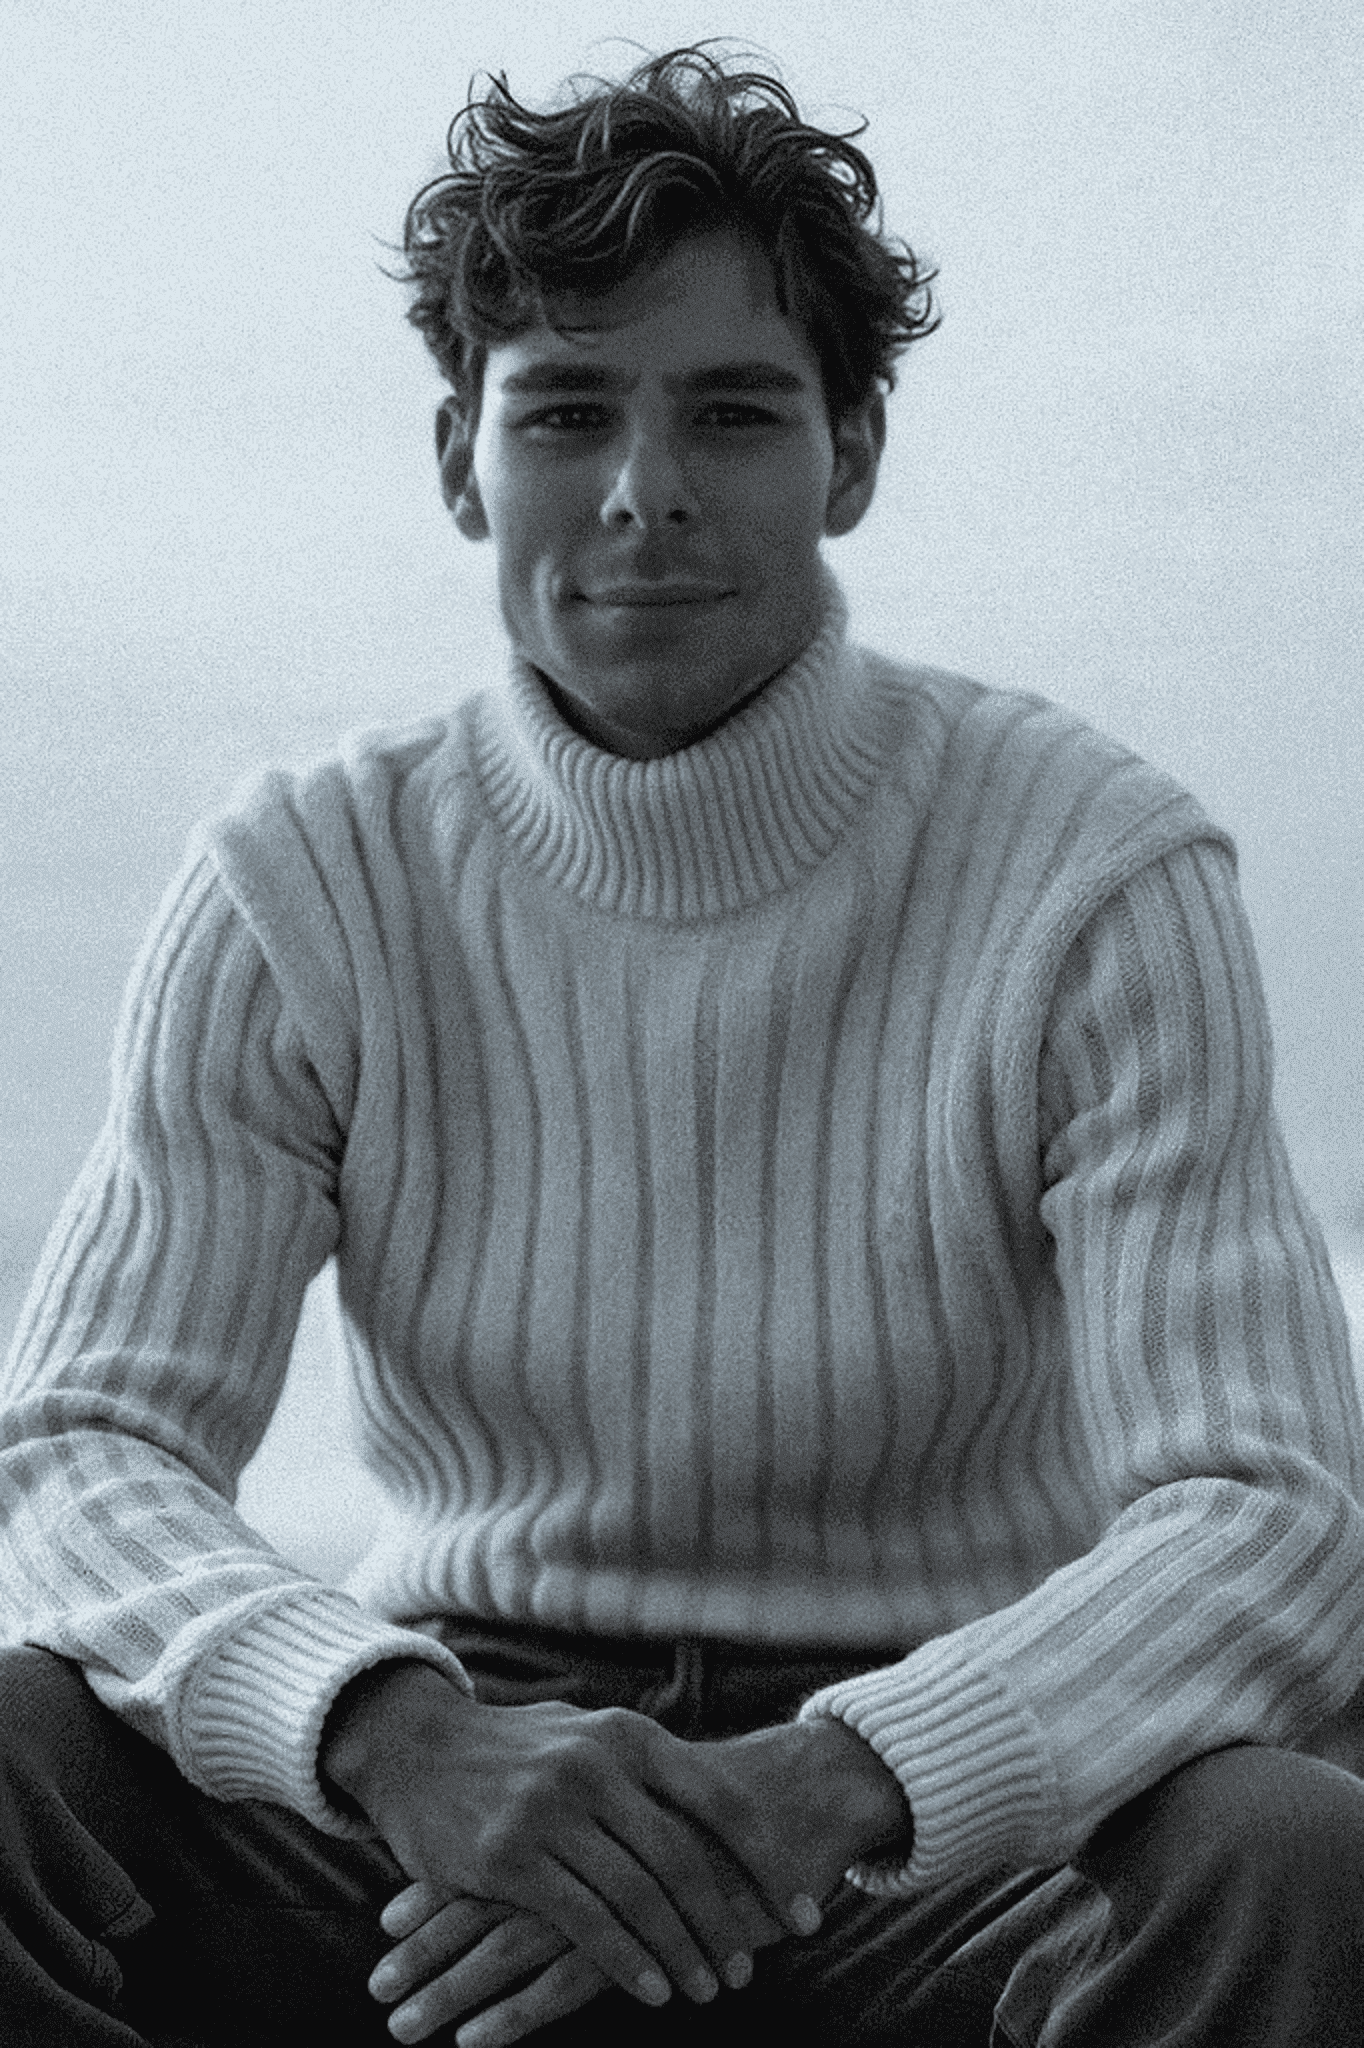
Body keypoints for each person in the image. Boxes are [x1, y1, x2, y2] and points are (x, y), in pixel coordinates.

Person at [2, 43, 1364, 2048]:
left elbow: (1268, 1510)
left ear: (852, 453)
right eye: (566, 412)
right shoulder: (304, 878)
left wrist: (826, 1785)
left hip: (947, 1816)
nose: (643, 489)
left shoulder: (1095, 870)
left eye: (731, 411)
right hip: (443, 1793)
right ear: (465, 457)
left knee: (1287, 1856)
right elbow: (80, 1452)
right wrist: (396, 1735)